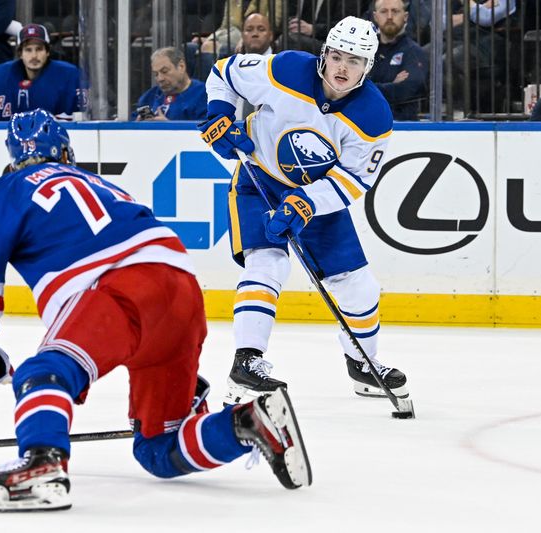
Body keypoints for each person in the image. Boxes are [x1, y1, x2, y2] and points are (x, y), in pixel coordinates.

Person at [0, 109, 311, 512]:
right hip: (181, 291)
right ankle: (248, 422)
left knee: (44, 372)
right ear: (66, 155)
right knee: (158, 449)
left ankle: (41, 467)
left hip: (117, 289)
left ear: (12, 161)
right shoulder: (100, 184)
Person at [198, 16, 409, 403]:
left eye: (356, 61)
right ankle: (247, 362)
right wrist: (220, 115)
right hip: (258, 179)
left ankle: (363, 365)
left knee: (359, 286)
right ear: (324, 53)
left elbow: (354, 180)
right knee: (268, 263)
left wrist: (307, 203)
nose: (344, 68)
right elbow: (223, 73)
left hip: (316, 198)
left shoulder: (374, 116)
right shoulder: (285, 69)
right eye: (338, 56)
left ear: (369, 66)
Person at [0, 24, 84, 121]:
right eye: (28, 50)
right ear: (20, 53)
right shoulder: (0, 75)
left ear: (47, 52)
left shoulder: (69, 75)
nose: (34, 56)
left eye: (39, 49)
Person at [370, 0, 428, 120]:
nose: (390, 17)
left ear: (405, 16)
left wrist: (367, 87)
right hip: (364, 124)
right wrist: (391, 85)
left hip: (403, 127)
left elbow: (406, 91)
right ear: (375, 16)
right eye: (384, 11)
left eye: (395, 11)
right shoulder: (366, 50)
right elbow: (352, 87)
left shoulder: (414, 52)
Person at [132, 47, 207, 121]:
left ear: (181, 66)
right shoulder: (150, 96)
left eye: (165, 71)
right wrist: (137, 126)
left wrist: (168, 128)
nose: (160, 79)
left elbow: (208, 130)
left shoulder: (204, 95)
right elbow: (130, 123)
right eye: (156, 74)